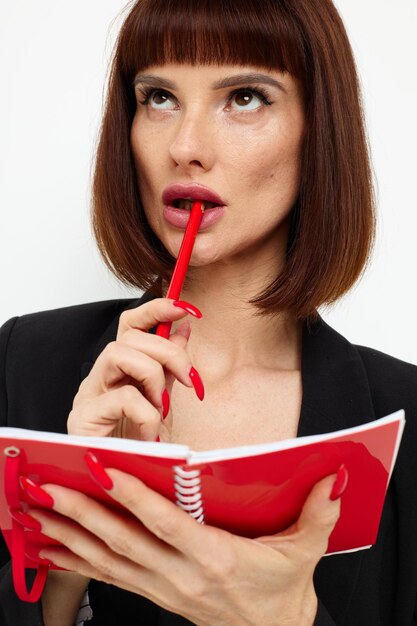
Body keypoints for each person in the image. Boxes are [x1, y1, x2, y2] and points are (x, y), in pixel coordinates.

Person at [0, 0, 416, 624]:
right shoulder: (25, 361)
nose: (185, 147)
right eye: (159, 97)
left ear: (318, 131)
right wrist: (63, 558)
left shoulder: (404, 413)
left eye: (245, 97)